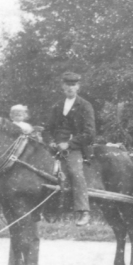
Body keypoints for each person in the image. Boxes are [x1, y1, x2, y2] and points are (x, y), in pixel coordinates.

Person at [45, 72, 96, 227]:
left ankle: (83, 211)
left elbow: (89, 133)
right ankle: (42, 209)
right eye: (67, 84)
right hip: (55, 147)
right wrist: (51, 142)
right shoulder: (57, 106)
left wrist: (69, 144)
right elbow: (47, 129)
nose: (70, 87)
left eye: (73, 85)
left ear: (78, 87)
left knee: (75, 172)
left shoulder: (85, 106)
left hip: (74, 148)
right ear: (63, 86)